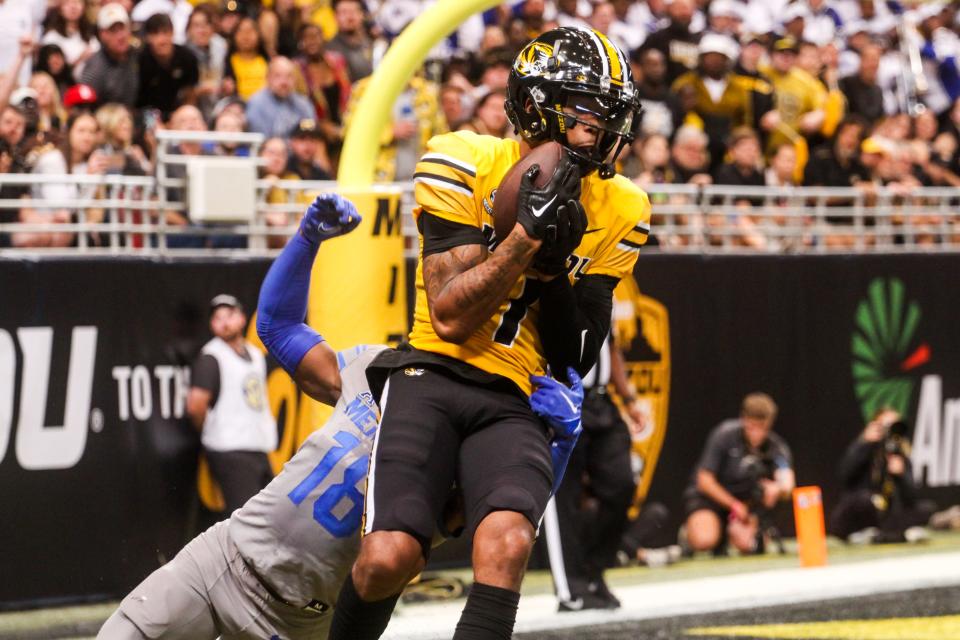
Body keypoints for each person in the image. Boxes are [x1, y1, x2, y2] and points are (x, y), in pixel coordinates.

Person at [97, 194, 584, 639]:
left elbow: (508, 521)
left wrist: (557, 446)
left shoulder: (485, 434)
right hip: (226, 560)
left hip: (305, 622)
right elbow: (279, 326)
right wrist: (305, 241)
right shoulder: (376, 368)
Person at [328, 26, 650, 640]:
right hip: (431, 372)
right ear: (535, 107)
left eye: (610, 118)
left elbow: (577, 353)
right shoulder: (462, 157)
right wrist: (525, 241)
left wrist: (554, 271)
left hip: (517, 395)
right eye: (586, 116)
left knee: (504, 545)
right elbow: (450, 316)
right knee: (386, 560)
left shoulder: (623, 206)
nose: (601, 135)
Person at [544, 331, 645, 612]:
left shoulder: (603, 287)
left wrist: (628, 398)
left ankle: (593, 570)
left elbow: (610, 344)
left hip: (601, 401)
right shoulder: (549, 285)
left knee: (622, 484)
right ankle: (571, 588)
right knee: (563, 494)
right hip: (562, 397)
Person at [186, 294, 277, 516]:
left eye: (229, 315)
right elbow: (195, 405)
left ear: (243, 318)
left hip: (258, 447)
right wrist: (210, 431)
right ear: (211, 324)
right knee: (246, 519)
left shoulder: (255, 354)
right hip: (230, 450)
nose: (224, 322)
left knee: (271, 516)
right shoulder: (211, 357)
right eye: (217, 318)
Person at [681, 392, 795, 556]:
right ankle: (689, 532)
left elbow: (787, 482)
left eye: (762, 427)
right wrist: (733, 505)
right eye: (751, 427)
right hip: (710, 500)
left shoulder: (776, 446)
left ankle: (727, 534)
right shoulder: (724, 435)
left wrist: (777, 488)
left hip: (744, 510)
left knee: (749, 545)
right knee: (704, 540)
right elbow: (704, 481)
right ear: (743, 419)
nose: (756, 434)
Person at [829, 408, 935, 544]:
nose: (890, 431)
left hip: (888, 511)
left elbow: (912, 496)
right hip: (865, 507)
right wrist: (865, 444)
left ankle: (882, 534)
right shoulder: (864, 447)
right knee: (865, 502)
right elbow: (845, 474)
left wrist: (901, 475)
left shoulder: (899, 454)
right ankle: (875, 533)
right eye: (886, 426)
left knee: (927, 508)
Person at [136, 12, 200, 119]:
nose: (162, 40)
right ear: (147, 38)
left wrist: (181, 117)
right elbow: (138, 101)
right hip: (147, 115)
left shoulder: (187, 58)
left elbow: (190, 95)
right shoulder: (140, 60)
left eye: (165, 32)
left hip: (179, 114)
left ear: (172, 33)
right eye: (155, 34)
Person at [80, 3, 138, 108]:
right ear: (102, 34)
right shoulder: (94, 68)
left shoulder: (137, 55)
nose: (121, 36)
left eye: (123, 28)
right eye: (114, 30)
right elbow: (85, 108)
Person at [245, 56, 315, 139]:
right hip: (267, 150)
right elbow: (259, 140)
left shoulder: (303, 104)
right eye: (278, 76)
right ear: (268, 78)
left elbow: (311, 135)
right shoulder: (256, 103)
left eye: (289, 76)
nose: (284, 82)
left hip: (297, 150)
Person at [326, 0, 373, 82]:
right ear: (335, 17)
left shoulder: (375, 44)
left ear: (362, 15)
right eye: (344, 13)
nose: (350, 17)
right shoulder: (329, 50)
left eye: (354, 11)